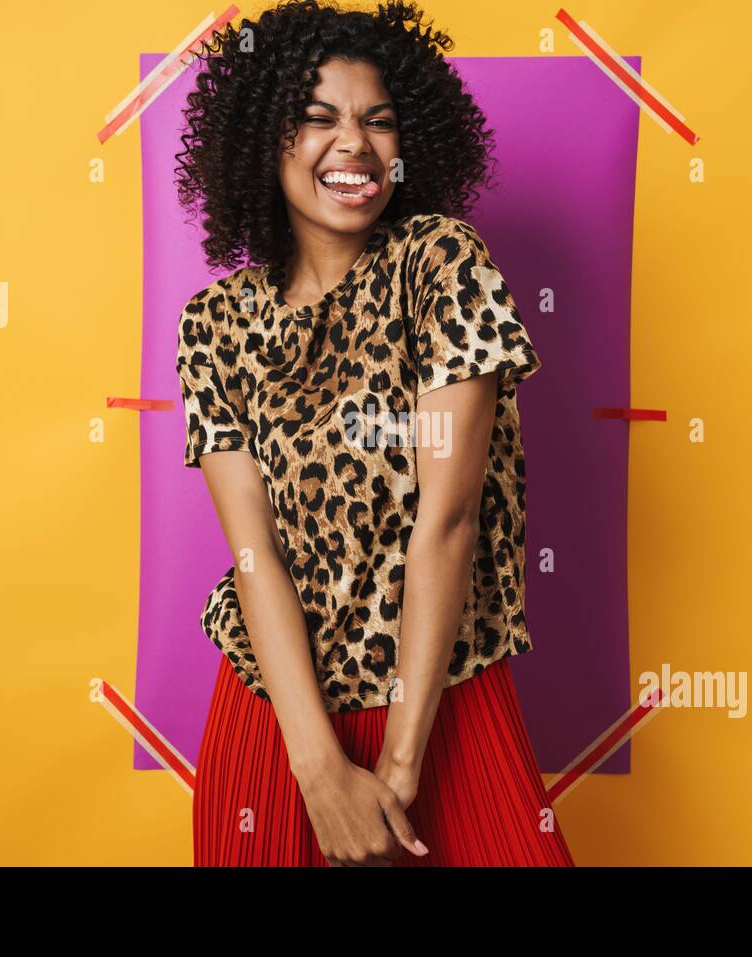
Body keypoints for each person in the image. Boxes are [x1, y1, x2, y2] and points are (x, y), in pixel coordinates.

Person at [173, 0, 575, 867]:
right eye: (317, 118)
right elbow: (256, 557)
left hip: (441, 708)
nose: (352, 142)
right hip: (274, 719)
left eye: (378, 122)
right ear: (262, 143)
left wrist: (395, 775)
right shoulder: (212, 324)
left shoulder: (439, 264)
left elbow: (449, 519)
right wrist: (318, 769)